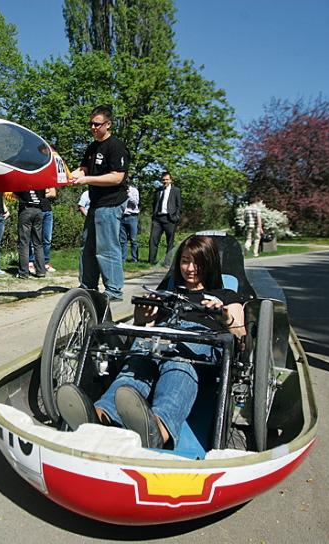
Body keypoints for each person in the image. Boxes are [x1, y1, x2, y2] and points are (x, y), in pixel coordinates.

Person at [59, 235, 245, 449]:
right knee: (136, 364)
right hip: (160, 336)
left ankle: (157, 430)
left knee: (179, 364)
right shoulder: (167, 293)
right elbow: (142, 328)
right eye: (185, 261)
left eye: (197, 263)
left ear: (209, 264)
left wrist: (224, 316)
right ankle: (98, 417)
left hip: (199, 341)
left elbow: (241, 336)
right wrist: (143, 317)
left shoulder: (225, 295)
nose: (190, 268)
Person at [70, 105, 130, 301]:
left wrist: (87, 180)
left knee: (106, 247)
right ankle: (87, 286)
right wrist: (70, 175)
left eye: (97, 124)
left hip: (111, 203)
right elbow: (83, 169)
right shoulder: (92, 147)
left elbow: (117, 177)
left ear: (108, 124)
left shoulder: (116, 146)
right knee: (87, 247)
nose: (93, 128)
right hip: (95, 203)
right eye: (91, 124)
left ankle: (113, 290)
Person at [148, 171, 182, 265]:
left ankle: (167, 262)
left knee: (170, 242)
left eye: (167, 179)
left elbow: (179, 206)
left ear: (171, 180)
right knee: (153, 240)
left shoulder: (176, 191)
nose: (165, 181)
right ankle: (151, 261)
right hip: (158, 219)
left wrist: (176, 217)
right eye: (163, 180)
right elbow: (154, 204)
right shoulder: (158, 190)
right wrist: (154, 215)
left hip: (170, 218)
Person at [13, 189, 46, 279]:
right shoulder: (40, 183)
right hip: (38, 210)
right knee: (38, 243)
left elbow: (15, 195)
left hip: (26, 210)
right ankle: (41, 271)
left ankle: (23, 272)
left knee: (24, 243)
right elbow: (43, 196)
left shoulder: (22, 183)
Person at [29, 188, 57, 274]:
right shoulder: (32, 182)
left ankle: (45, 262)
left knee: (47, 239)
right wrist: (45, 192)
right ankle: (31, 262)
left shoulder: (47, 181)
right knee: (33, 239)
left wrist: (38, 195)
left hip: (47, 211)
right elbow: (29, 195)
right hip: (36, 210)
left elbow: (53, 193)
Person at [120, 183, 140, 263]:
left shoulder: (134, 190)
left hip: (132, 216)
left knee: (133, 239)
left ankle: (134, 259)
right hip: (122, 216)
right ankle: (123, 259)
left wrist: (128, 194)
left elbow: (135, 202)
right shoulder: (120, 191)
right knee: (122, 240)